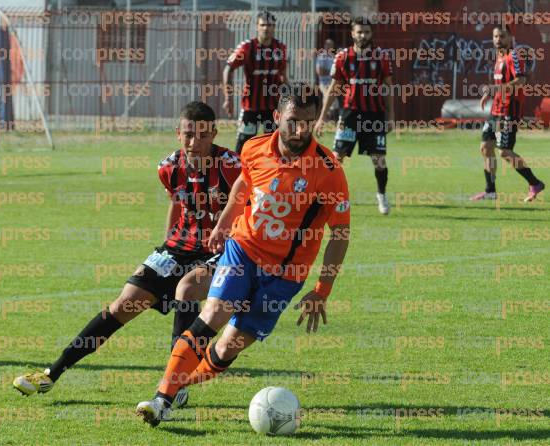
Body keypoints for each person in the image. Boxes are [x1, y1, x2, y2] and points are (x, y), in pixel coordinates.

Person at [134, 83, 351, 427]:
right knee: (214, 312)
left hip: (285, 274)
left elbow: (340, 233)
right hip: (243, 249)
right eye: (293, 120)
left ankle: (182, 385)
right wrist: (224, 223)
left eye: (308, 122)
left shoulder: (329, 170)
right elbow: (244, 184)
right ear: (277, 116)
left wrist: (322, 289)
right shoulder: (253, 147)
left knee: (229, 345)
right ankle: (162, 400)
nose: (299, 130)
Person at [12, 102, 241, 410]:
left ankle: (176, 384)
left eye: (201, 135)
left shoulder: (232, 166)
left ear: (213, 133)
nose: (193, 142)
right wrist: (166, 244)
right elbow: (176, 202)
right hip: (178, 246)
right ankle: (52, 372)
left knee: (186, 290)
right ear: (178, 133)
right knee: (124, 303)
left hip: (220, 250)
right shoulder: (168, 167)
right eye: (187, 134)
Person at [314, 17, 394, 215]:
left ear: (371, 34)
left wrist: (391, 116)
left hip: (374, 116)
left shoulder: (381, 57)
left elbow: (388, 87)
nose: (363, 36)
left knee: (379, 160)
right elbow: (334, 89)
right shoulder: (342, 57)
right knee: (335, 158)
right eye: (359, 32)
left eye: (366, 32)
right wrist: (321, 118)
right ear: (352, 34)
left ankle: (381, 195)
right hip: (349, 115)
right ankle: (326, 198)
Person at [470, 25, 545, 202]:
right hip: (496, 110)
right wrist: (490, 94)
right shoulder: (499, 57)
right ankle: (490, 191)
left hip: (509, 110)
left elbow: (521, 80)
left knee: (504, 152)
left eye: (502, 36)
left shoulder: (514, 56)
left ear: (510, 37)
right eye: (495, 36)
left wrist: (496, 88)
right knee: (486, 148)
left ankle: (535, 183)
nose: (498, 40)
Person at [223, 10, 288, 153]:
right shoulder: (247, 47)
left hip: (273, 108)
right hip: (250, 107)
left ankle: (271, 174)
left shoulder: (280, 48)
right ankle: (239, 174)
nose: (266, 28)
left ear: (274, 27)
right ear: (256, 27)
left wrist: (288, 101)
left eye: (270, 25)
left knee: (275, 146)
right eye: (263, 25)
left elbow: (283, 77)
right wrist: (228, 98)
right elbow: (228, 69)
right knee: (243, 146)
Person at [316, 38, 338, 121]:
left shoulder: (333, 56)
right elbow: (320, 71)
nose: (329, 46)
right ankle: (324, 119)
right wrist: (332, 72)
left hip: (333, 82)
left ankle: (328, 119)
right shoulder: (322, 57)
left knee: (334, 102)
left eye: (331, 45)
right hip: (324, 83)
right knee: (327, 99)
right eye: (327, 45)